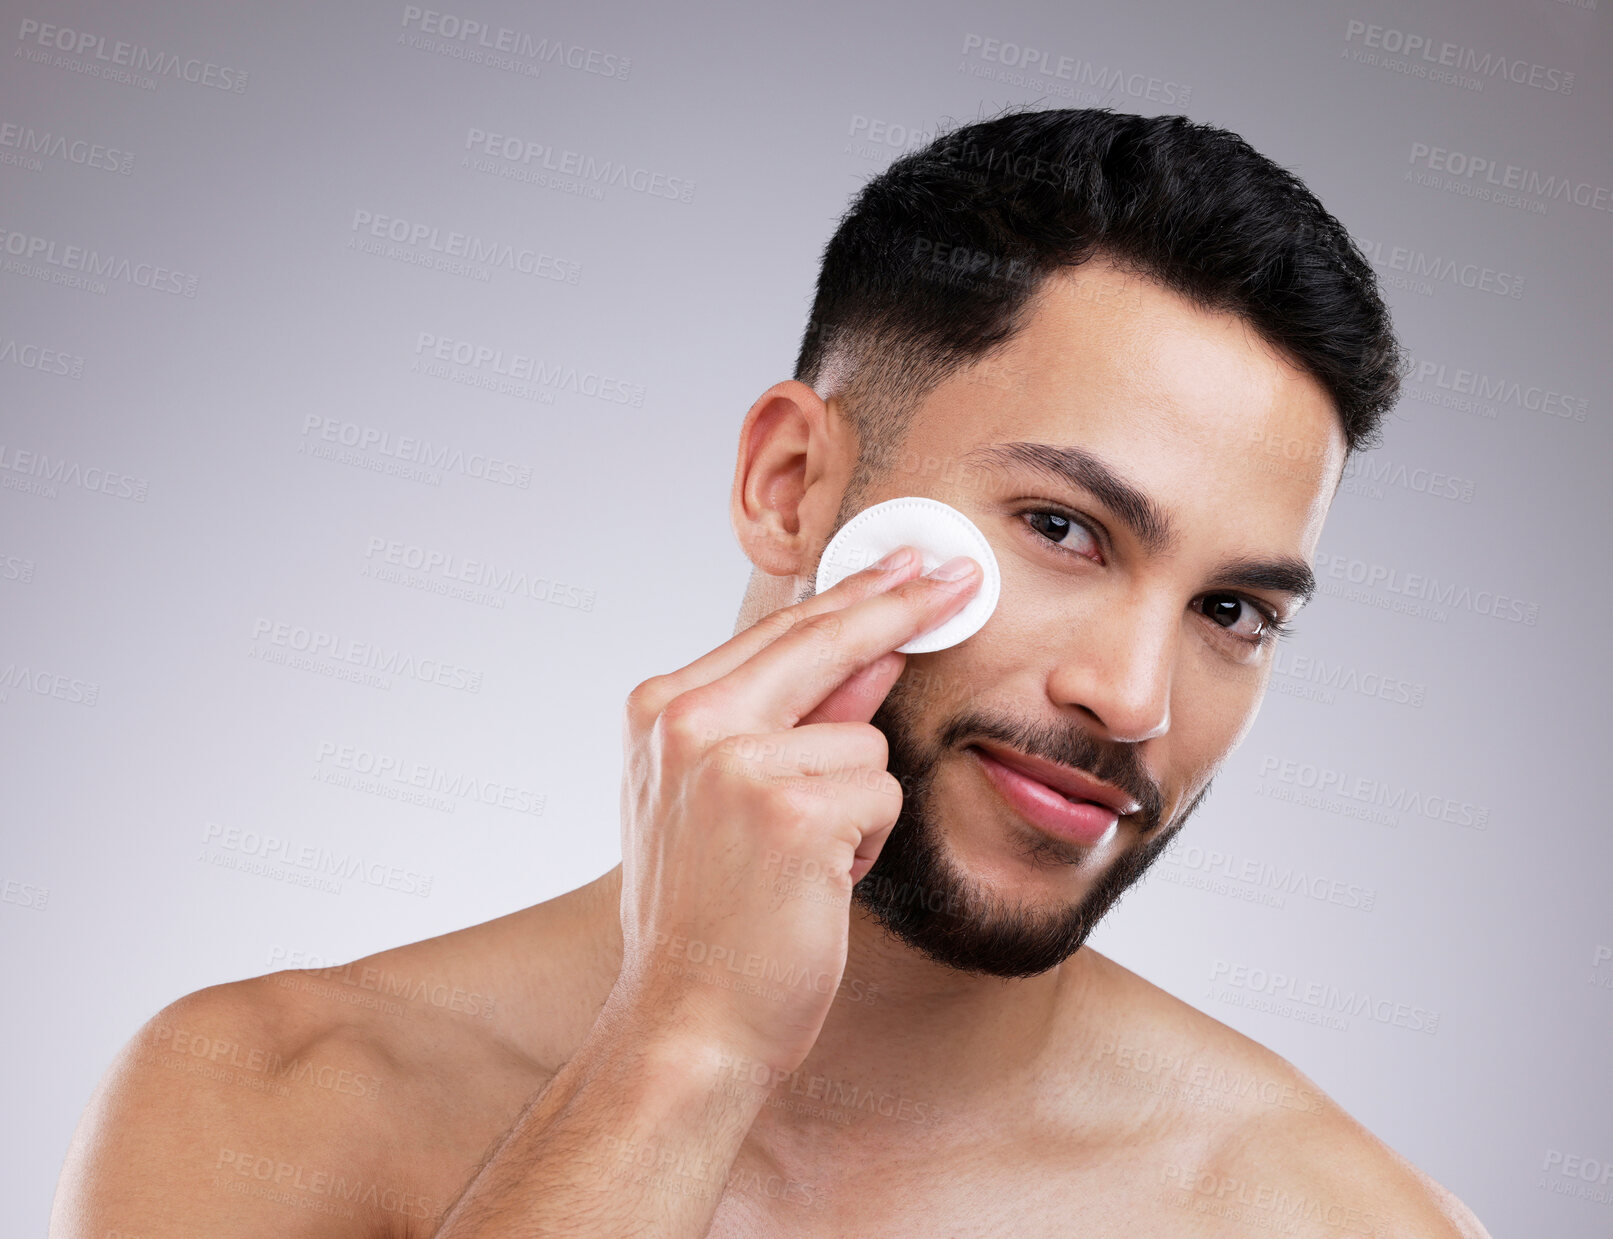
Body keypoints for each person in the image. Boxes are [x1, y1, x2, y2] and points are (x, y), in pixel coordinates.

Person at [51, 108, 1493, 1237]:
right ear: (793, 481)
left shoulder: (1337, 1220)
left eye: (1232, 610)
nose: (1135, 700)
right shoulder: (266, 1101)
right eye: (1063, 529)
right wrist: (684, 1042)